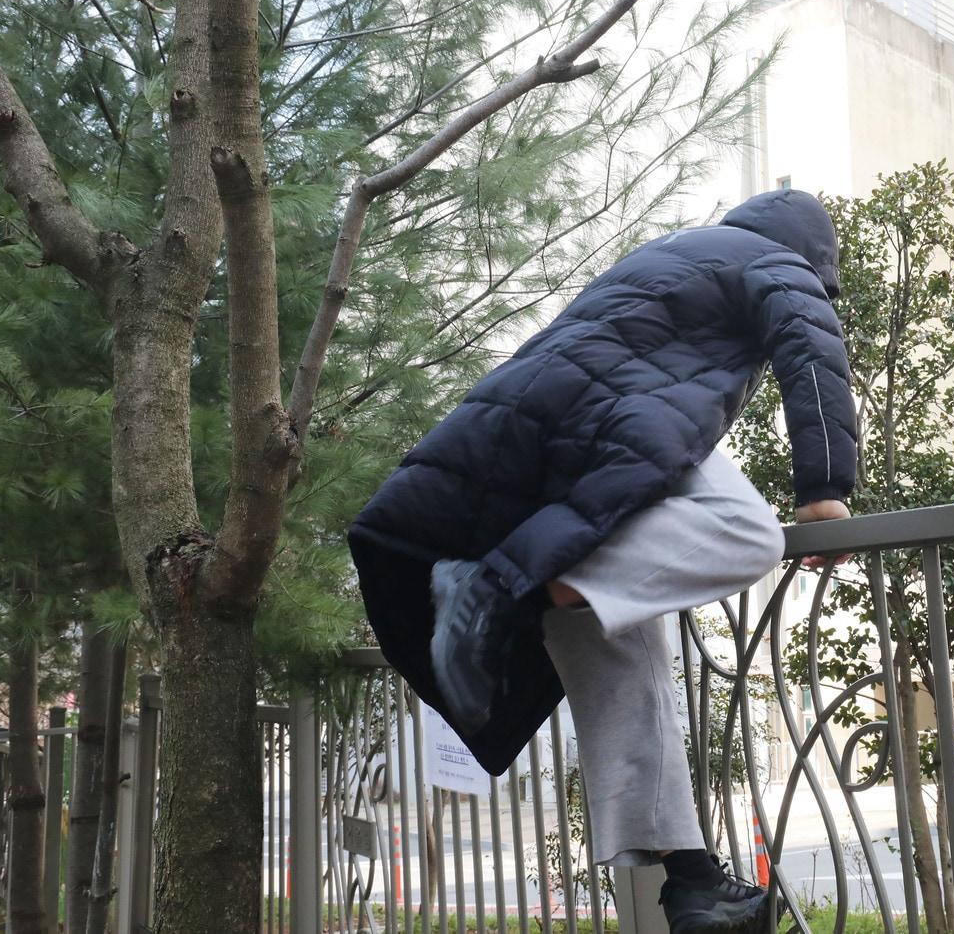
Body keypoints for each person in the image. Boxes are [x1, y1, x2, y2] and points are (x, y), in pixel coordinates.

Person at [348, 188, 858, 933]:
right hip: (621, 420)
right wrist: (824, 489)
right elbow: (813, 352)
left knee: (621, 638)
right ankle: (506, 593)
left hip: (539, 432)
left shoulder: (667, 253)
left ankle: (690, 880)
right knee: (749, 533)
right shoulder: (778, 263)